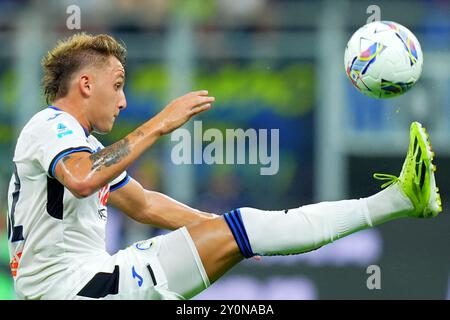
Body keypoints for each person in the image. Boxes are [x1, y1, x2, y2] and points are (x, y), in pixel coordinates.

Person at [7, 33, 442, 300]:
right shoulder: (52, 125)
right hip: (75, 288)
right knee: (245, 227)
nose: (122, 100)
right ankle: (399, 199)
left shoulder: (79, 143)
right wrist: (159, 123)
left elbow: (145, 205)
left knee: (243, 227)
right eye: (117, 86)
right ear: (86, 84)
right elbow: (82, 179)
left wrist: (219, 230)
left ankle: (399, 198)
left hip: (86, 284)